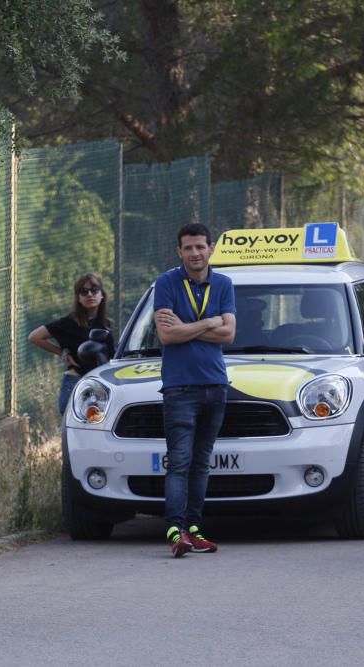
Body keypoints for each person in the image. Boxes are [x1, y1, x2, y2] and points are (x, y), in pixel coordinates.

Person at [153, 223, 235, 558]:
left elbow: (229, 335)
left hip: (215, 384)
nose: (195, 253)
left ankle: (194, 528)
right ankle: (176, 530)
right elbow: (167, 336)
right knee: (180, 461)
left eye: (200, 247)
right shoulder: (166, 283)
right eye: (188, 248)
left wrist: (187, 327)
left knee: (201, 462)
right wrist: (208, 322)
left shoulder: (224, 284)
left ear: (211, 248)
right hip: (179, 387)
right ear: (179, 252)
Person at [28, 273, 114, 415]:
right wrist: (62, 353)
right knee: (73, 428)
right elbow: (35, 337)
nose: (90, 294)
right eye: (84, 291)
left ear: (102, 294)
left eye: (94, 289)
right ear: (79, 298)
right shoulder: (69, 322)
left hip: (99, 384)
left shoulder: (105, 325)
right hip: (75, 381)